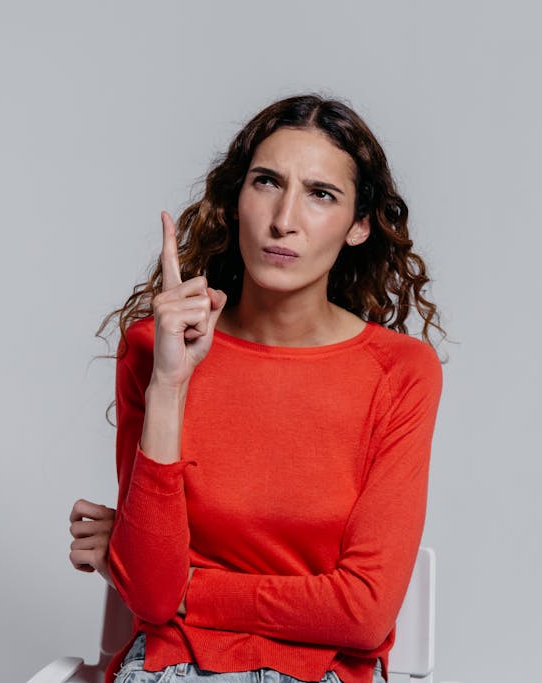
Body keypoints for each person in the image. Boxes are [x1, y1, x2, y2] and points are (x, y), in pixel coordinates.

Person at [67, 94, 444, 683]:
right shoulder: (153, 347)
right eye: (267, 182)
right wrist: (170, 381)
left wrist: (191, 588)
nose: (284, 219)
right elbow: (152, 600)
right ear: (236, 201)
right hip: (168, 670)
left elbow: (364, 615)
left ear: (359, 226)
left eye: (321, 195)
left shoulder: (400, 371)